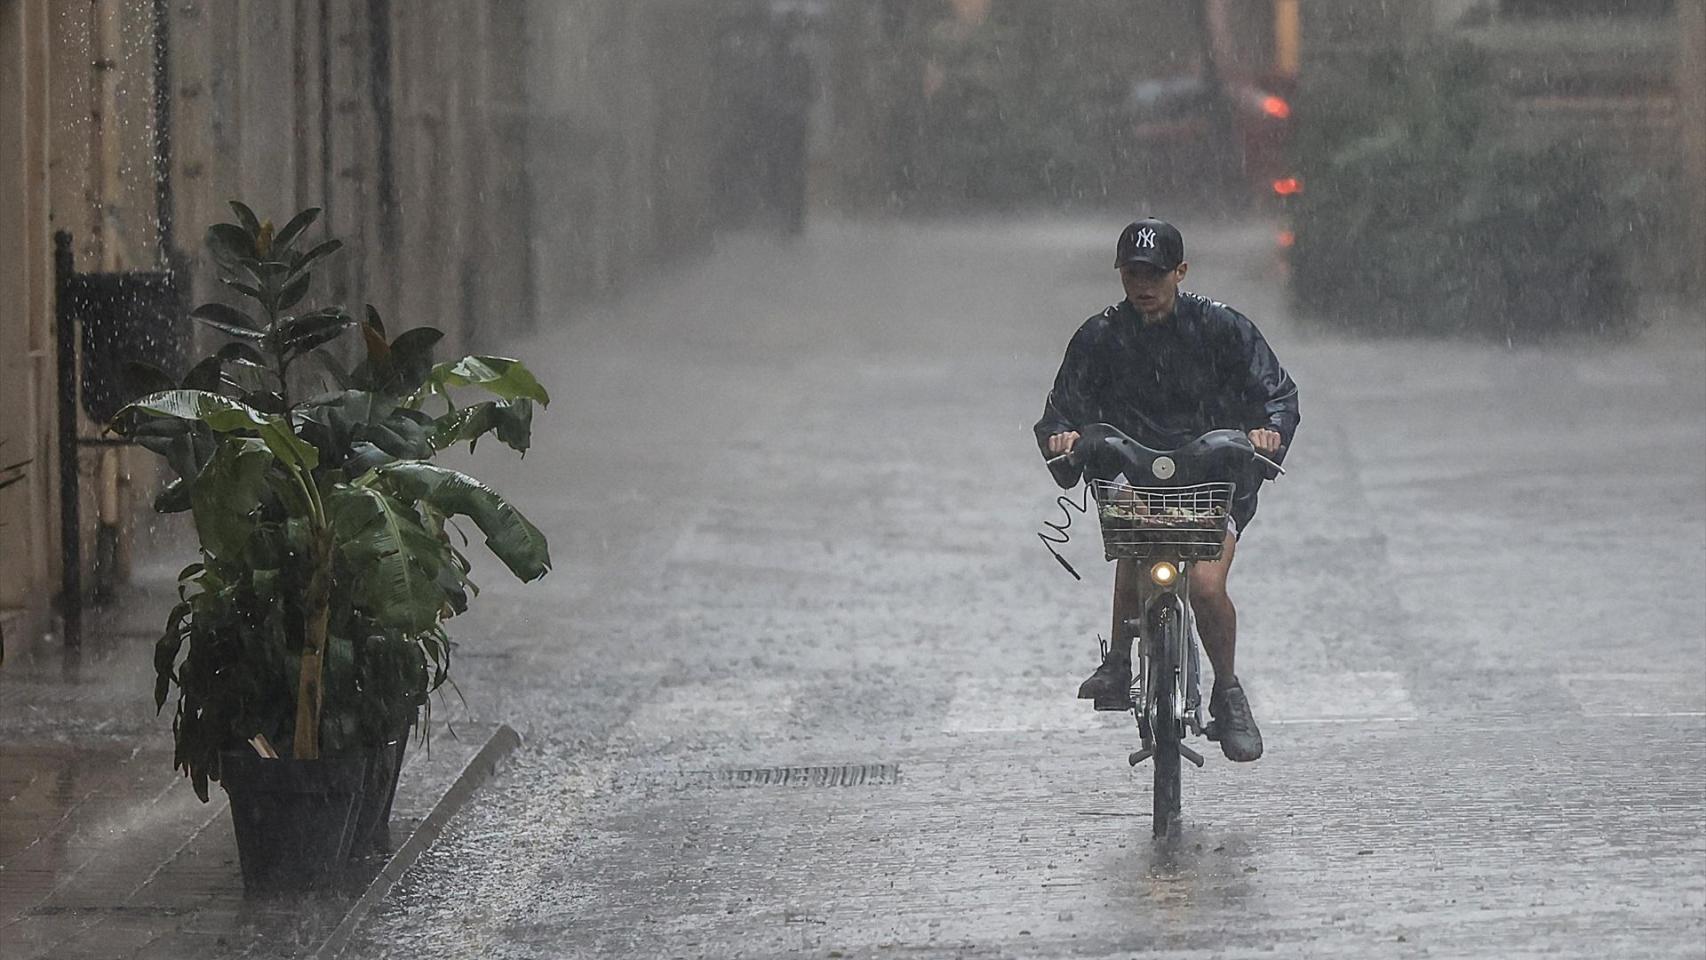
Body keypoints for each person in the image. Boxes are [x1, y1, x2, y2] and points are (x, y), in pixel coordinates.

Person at [1034, 218, 1299, 763]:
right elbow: (1061, 410)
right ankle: (1119, 660)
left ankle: (1227, 692)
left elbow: (1278, 393)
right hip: (1134, 472)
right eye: (1133, 273)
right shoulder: (1099, 337)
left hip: (1213, 477)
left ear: (1180, 272)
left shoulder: (1222, 327)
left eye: (1155, 273)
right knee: (1130, 534)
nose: (1143, 285)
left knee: (1204, 587)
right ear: (1121, 276)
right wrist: (1063, 436)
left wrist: (1266, 433)